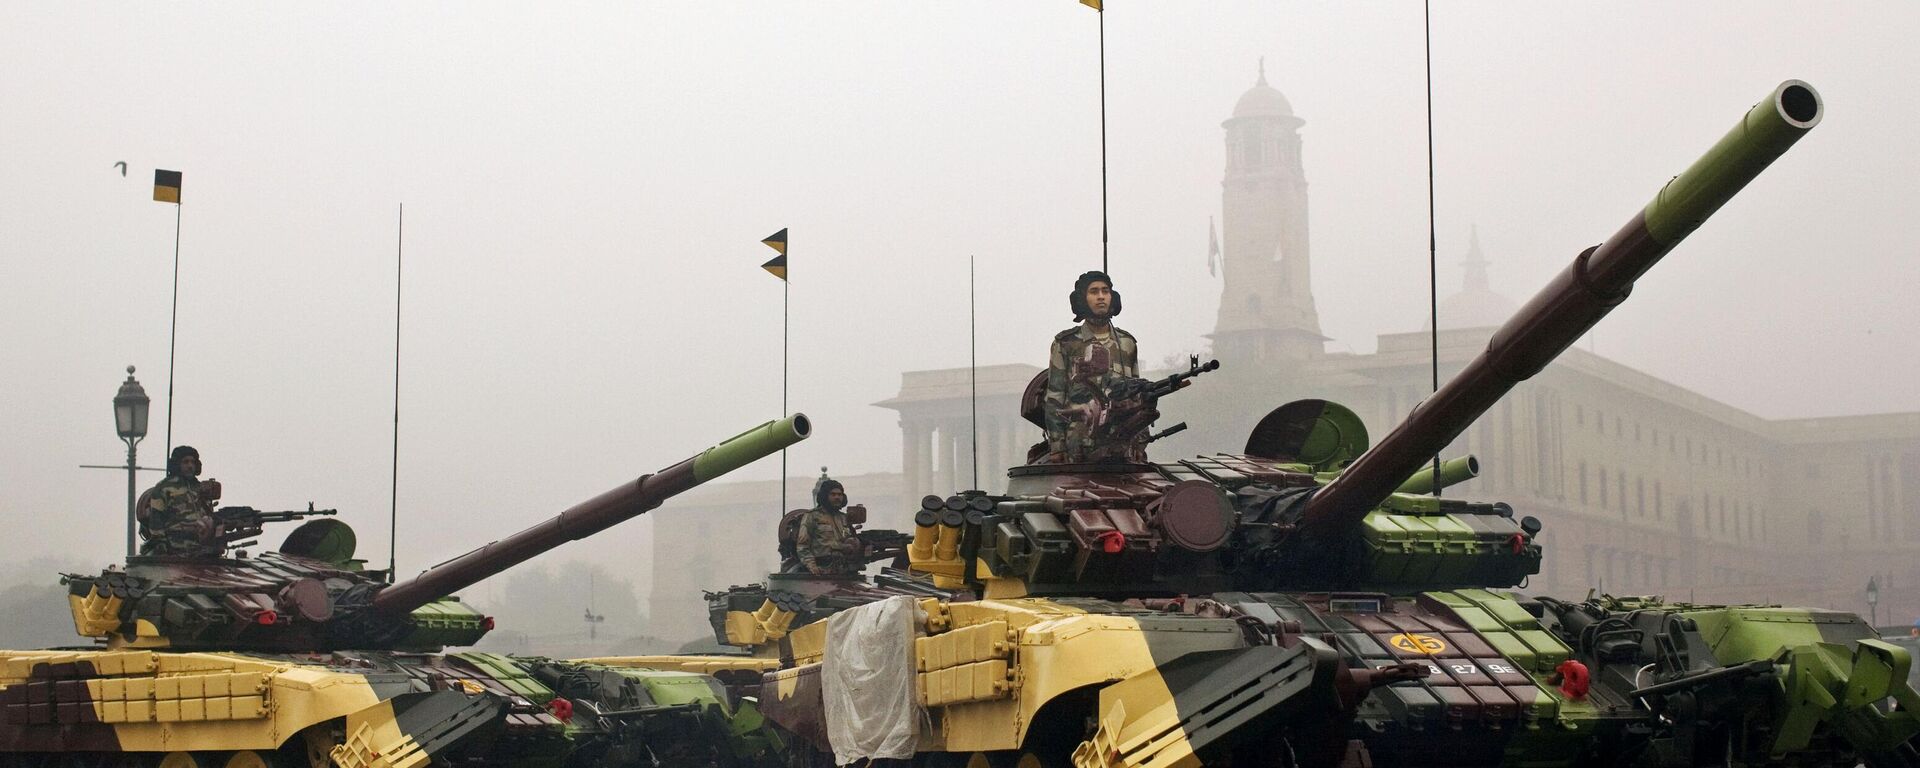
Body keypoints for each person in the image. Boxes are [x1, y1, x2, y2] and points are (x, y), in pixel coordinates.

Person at [1043, 270, 1139, 463]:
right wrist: (1057, 446)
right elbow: (1055, 396)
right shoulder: (1066, 343)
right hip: (1079, 445)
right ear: (1082, 299)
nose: (1101, 297)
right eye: (1094, 292)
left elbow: (1138, 396)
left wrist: (1140, 442)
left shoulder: (1126, 343)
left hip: (1121, 444)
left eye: (1105, 291)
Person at [139, 445, 223, 557]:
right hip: (174, 549)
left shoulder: (201, 489)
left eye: (192, 462)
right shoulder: (165, 487)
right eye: (185, 462)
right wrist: (160, 543)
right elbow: (156, 518)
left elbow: (208, 517)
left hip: (199, 550)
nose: (190, 466)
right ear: (177, 464)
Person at [794, 477, 864, 576]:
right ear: (825, 496)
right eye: (833, 494)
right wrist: (812, 566)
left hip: (843, 571)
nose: (837, 497)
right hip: (822, 570)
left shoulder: (844, 518)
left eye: (840, 494)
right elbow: (802, 546)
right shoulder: (812, 516)